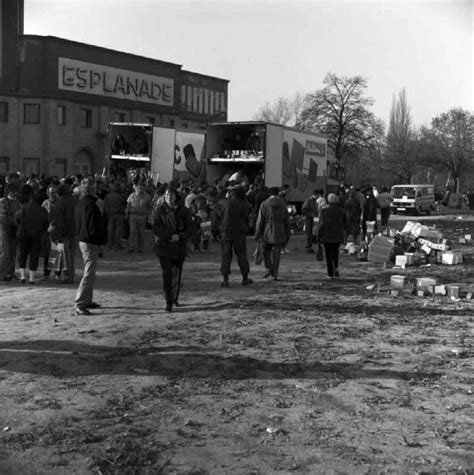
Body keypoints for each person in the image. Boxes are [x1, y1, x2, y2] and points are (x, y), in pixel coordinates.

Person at [152, 187, 193, 312]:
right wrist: (169, 236)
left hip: (179, 247)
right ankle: (168, 301)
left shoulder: (184, 211)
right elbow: (156, 227)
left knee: (176, 274)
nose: (169, 197)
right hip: (164, 246)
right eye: (167, 195)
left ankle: (175, 297)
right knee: (167, 274)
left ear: (176, 196)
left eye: (171, 195)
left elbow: (190, 228)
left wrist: (179, 236)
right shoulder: (159, 210)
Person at [74, 177, 106, 316]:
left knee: (90, 272)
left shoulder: (81, 203)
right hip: (89, 241)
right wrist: (100, 241)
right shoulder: (91, 205)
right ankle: (80, 302)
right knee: (89, 273)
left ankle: (87, 300)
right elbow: (94, 226)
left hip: (84, 240)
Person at [217, 184, 253, 287]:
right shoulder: (245, 204)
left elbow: (217, 217)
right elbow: (247, 219)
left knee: (226, 255)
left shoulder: (223, 203)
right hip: (239, 233)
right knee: (242, 255)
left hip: (225, 232)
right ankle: (245, 278)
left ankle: (225, 279)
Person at [255, 187, 290, 281]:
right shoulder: (283, 204)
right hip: (280, 230)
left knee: (265, 250)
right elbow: (287, 221)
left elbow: (260, 220)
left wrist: (258, 233)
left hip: (268, 230)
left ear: (269, 193)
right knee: (277, 253)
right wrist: (287, 235)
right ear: (278, 193)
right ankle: (275, 274)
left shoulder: (265, 204)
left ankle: (269, 267)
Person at [15, 189, 49, 284]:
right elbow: (46, 223)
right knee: (34, 256)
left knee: (22, 255)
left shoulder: (24, 207)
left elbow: (17, 217)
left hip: (23, 234)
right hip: (36, 235)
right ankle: (31, 278)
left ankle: (22, 276)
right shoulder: (42, 210)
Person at [318, 193, 347, 279]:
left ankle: (330, 273)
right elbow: (346, 223)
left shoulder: (324, 211)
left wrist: (319, 235)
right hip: (338, 235)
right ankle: (336, 267)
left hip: (327, 235)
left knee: (328, 254)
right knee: (335, 252)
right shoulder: (342, 210)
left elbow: (321, 224)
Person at [53, 183, 77, 284]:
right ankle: (72, 275)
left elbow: (59, 222)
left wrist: (57, 236)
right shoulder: (75, 201)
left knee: (66, 256)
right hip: (74, 231)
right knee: (71, 255)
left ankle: (68, 276)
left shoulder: (60, 204)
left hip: (65, 233)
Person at [0, 184, 21, 281]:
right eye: (12, 191)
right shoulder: (2, 201)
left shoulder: (17, 202)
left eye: (15, 191)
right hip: (4, 230)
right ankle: (2, 274)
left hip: (14, 230)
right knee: (5, 253)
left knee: (13, 253)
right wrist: (14, 220)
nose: (14, 193)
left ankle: (10, 273)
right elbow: (2, 217)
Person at [126, 178, 152, 253]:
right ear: (136, 187)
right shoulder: (132, 195)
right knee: (132, 231)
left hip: (142, 216)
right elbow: (128, 205)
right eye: (139, 186)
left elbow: (150, 207)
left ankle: (140, 248)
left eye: (142, 186)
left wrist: (149, 216)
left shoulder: (147, 197)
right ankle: (131, 246)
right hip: (133, 215)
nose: (140, 188)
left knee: (141, 232)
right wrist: (126, 213)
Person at [103, 181, 127, 251]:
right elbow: (123, 204)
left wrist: (107, 212)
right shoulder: (120, 196)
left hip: (110, 214)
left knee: (110, 229)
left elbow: (105, 206)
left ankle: (110, 244)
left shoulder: (107, 196)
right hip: (119, 214)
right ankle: (117, 245)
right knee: (118, 230)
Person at [301, 189, 320, 253]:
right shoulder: (309, 201)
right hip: (309, 219)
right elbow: (304, 210)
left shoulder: (314, 201)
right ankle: (308, 247)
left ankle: (310, 245)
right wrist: (311, 214)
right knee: (309, 233)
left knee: (313, 233)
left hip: (313, 219)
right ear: (317, 195)